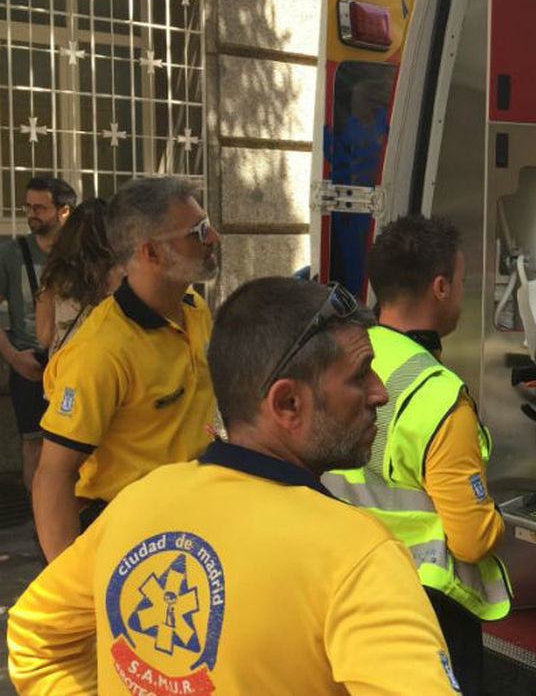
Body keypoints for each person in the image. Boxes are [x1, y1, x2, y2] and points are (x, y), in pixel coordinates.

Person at [6, 277, 462, 694]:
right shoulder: (358, 556)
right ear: (287, 403)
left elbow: (34, 637)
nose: (381, 392)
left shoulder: (140, 500)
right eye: (361, 374)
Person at [322, 215, 509, 696]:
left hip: (342, 585)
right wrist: (497, 519)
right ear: (441, 287)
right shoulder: (440, 397)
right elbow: (471, 541)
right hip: (427, 610)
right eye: (463, 281)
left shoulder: (333, 363)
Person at [32, 176, 221, 562]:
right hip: (131, 546)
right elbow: (52, 475)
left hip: (193, 529)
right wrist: (71, 591)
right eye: (197, 231)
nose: (213, 237)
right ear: (151, 253)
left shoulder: (193, 308)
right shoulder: (102, 350)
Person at [5, 177, 74, 491]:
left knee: (75, 446)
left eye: (40, 207)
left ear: (64, 212)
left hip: (74, 365)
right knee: (34, 446)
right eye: (28, 206)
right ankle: (40, 528)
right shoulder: (11, 253)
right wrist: (14, 357)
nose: (31, 213)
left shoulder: (78, 255)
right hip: (30, 365)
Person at [35, 197, 123, 354]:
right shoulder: (124, 272)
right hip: (109, 362)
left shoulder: (55, 273)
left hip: (67, 367)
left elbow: (44, 336)